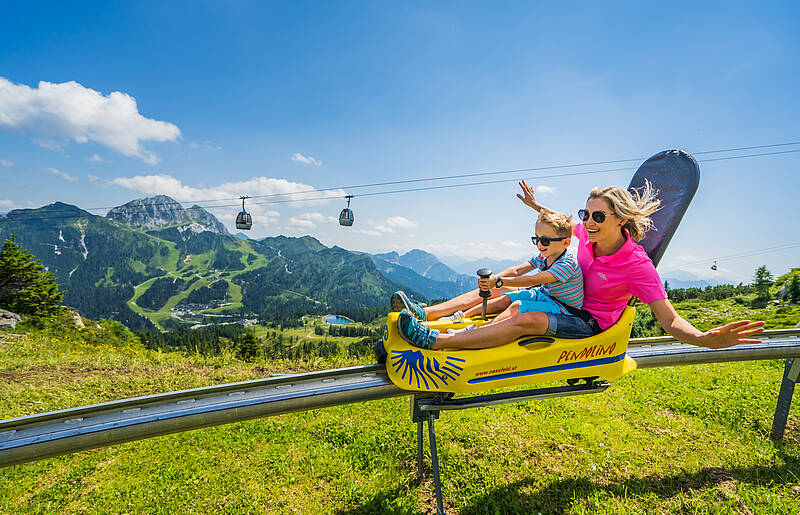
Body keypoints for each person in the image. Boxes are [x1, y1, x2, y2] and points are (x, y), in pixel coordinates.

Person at [395, 180, 764, 350]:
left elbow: (669, 320)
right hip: (561, 301)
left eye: (598, 216)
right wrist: (536, 207)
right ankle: (425, 312)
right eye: (585, 213)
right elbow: (559, 224)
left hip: (589, 322)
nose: (588, 221)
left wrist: (703, 339)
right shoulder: (586, 235)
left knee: (527, 317)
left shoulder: (638, 266)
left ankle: (439, 342)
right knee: (503, 292)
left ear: (621, 219)